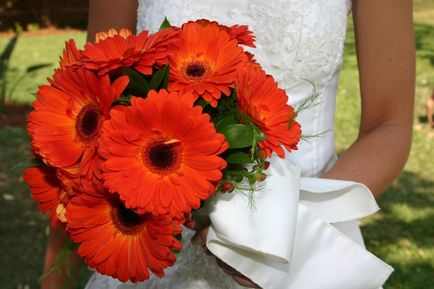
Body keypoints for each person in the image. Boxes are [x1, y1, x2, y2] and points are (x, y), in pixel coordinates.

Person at [41, 0, 415, 288]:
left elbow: (389, 125)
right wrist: (55, 277)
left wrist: (286, 231)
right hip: (148, 251)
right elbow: (87, 113)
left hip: (299, 252)